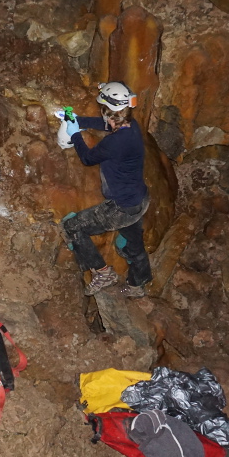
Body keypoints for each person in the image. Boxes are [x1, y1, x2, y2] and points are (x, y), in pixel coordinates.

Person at [61, 81, 152, 298]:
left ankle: (102, 273)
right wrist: (78, 120)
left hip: (120, 207)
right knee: (133, 245)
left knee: (74, 227)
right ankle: (139, 283)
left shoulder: (115, 143)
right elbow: (106, 124)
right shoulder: (131, 126)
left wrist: (75, 134)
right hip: (139, 200)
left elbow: (87, 158)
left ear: (108, 112)